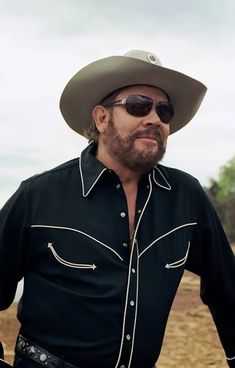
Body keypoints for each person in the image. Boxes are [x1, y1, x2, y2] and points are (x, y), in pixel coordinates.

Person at [0, 49, 234, 368]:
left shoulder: (186, 197)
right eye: (138, 105)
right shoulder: (38, 195)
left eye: (164, 111)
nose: (154, 119)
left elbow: (229, 293)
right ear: (101, 117)